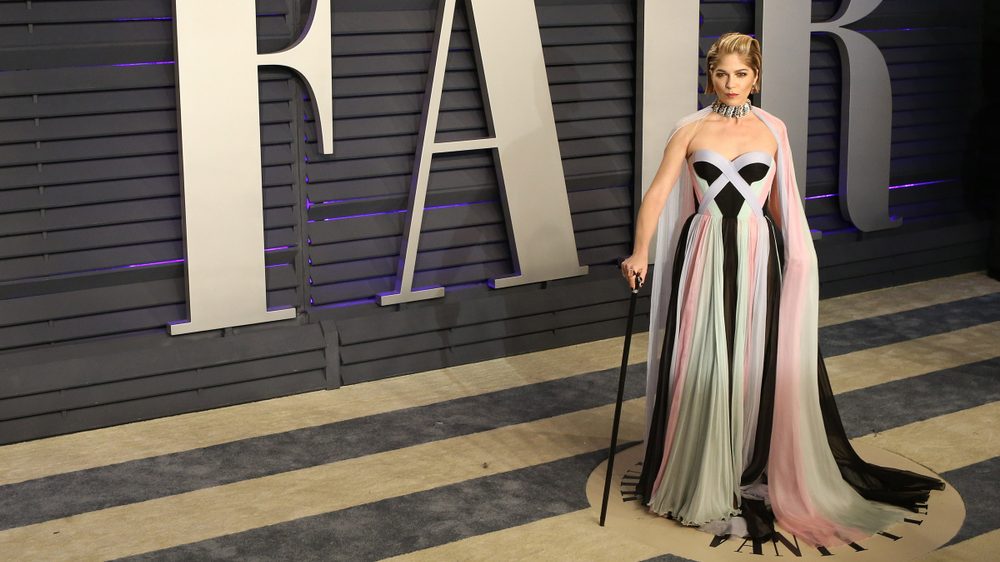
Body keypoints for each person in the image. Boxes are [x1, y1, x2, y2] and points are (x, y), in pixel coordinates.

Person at [618, 32, 944, 547]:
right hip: (704, 250)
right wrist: (640, 252)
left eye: (740, 74)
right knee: (705, 354)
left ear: (756, 77)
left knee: (753, 356)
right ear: (710, 76)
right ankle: (702, 465)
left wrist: (797, 261)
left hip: (756, 251)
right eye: (721, 73)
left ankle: (748, 455)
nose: (730, 83)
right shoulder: (689, 128)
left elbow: (781, 203)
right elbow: (658, 193)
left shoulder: (773, 129)